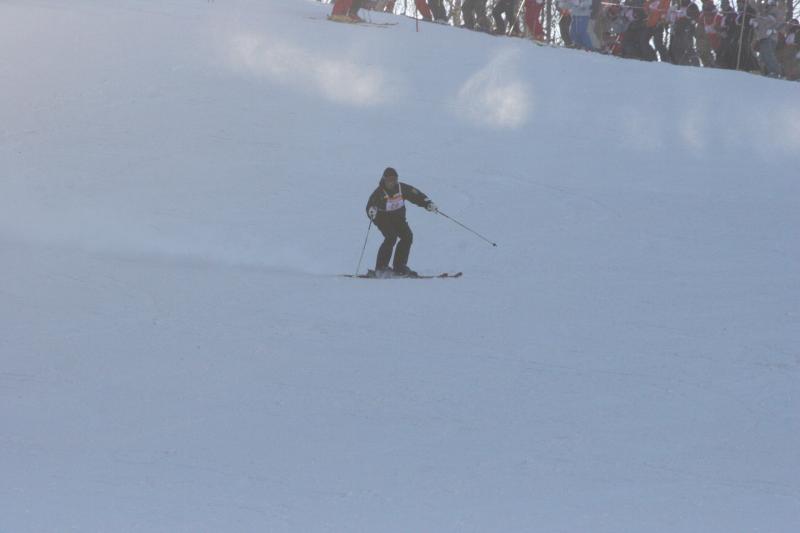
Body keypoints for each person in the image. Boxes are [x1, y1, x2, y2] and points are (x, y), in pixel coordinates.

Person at [365, 167, 438, 278]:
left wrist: (427, 203)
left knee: (407, 236)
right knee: (391, 237)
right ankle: (381, 267)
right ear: (384, 180)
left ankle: (399, 266)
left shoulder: (401, 188)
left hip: (398, 218)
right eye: (389, 180)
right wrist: (371, 212)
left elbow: (416, 195)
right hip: (383, 219)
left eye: (394, 179)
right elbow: (370, 206)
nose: (392, 182)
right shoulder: (378, 193)